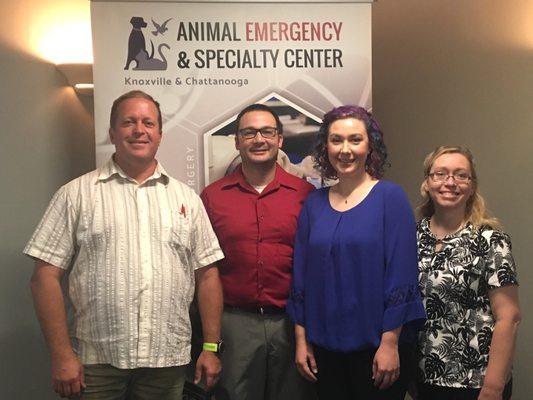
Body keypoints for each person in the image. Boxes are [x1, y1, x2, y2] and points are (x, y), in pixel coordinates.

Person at [25, 90, 225, 399]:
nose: (139, 130)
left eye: (148, 122)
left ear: (159, 134)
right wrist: (62, 354)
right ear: (112, 132)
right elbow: (44, 278)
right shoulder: (75, 194)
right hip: (96, 363)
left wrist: (211, 347)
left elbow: (207, 275)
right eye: (128, 122)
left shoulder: (187, 199)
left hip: (166, 362)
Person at [286, 105, 426, 399]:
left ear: (370, 145)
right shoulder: (314, 203)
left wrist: (389, 343)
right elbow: (301, 277)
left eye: (355, 139)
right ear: (325, 147)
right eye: (336, 140)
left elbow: (402, 275)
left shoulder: (390, 197)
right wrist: (302, 341)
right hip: (324, 349)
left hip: (377, 350)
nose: (345, 149)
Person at [200, 103, 315, 400]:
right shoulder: (213, 197)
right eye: (249, 133)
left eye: (267, 131)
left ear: (280, 140)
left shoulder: (305, 196)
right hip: (235, 325)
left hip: (292, 324)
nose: (258, 139)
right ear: (237, 142)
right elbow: (203, 270)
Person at [416, 146, 521, 400]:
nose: (449, 182)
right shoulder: (412, 237)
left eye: (461, 175)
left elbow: (509, 317)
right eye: (440, 174)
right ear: (427, 184)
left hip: (476, 382)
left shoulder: (491, 240)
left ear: (472, 186)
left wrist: (493, 389)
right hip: (424, 377)